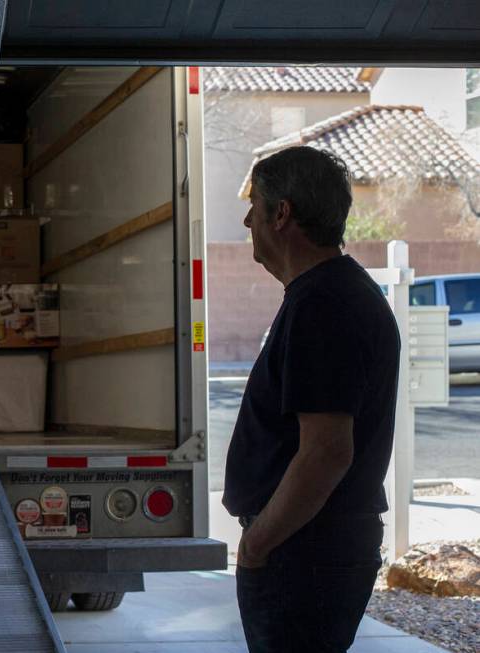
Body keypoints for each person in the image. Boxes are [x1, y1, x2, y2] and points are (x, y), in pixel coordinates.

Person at [223, 146, 400, 652]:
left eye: (254, 204)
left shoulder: (323, 304)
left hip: (304, 551)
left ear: (282, 214)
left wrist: (258, 546)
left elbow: (326, 451)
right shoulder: (329, 294)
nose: (246, 218)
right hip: (311, 548)